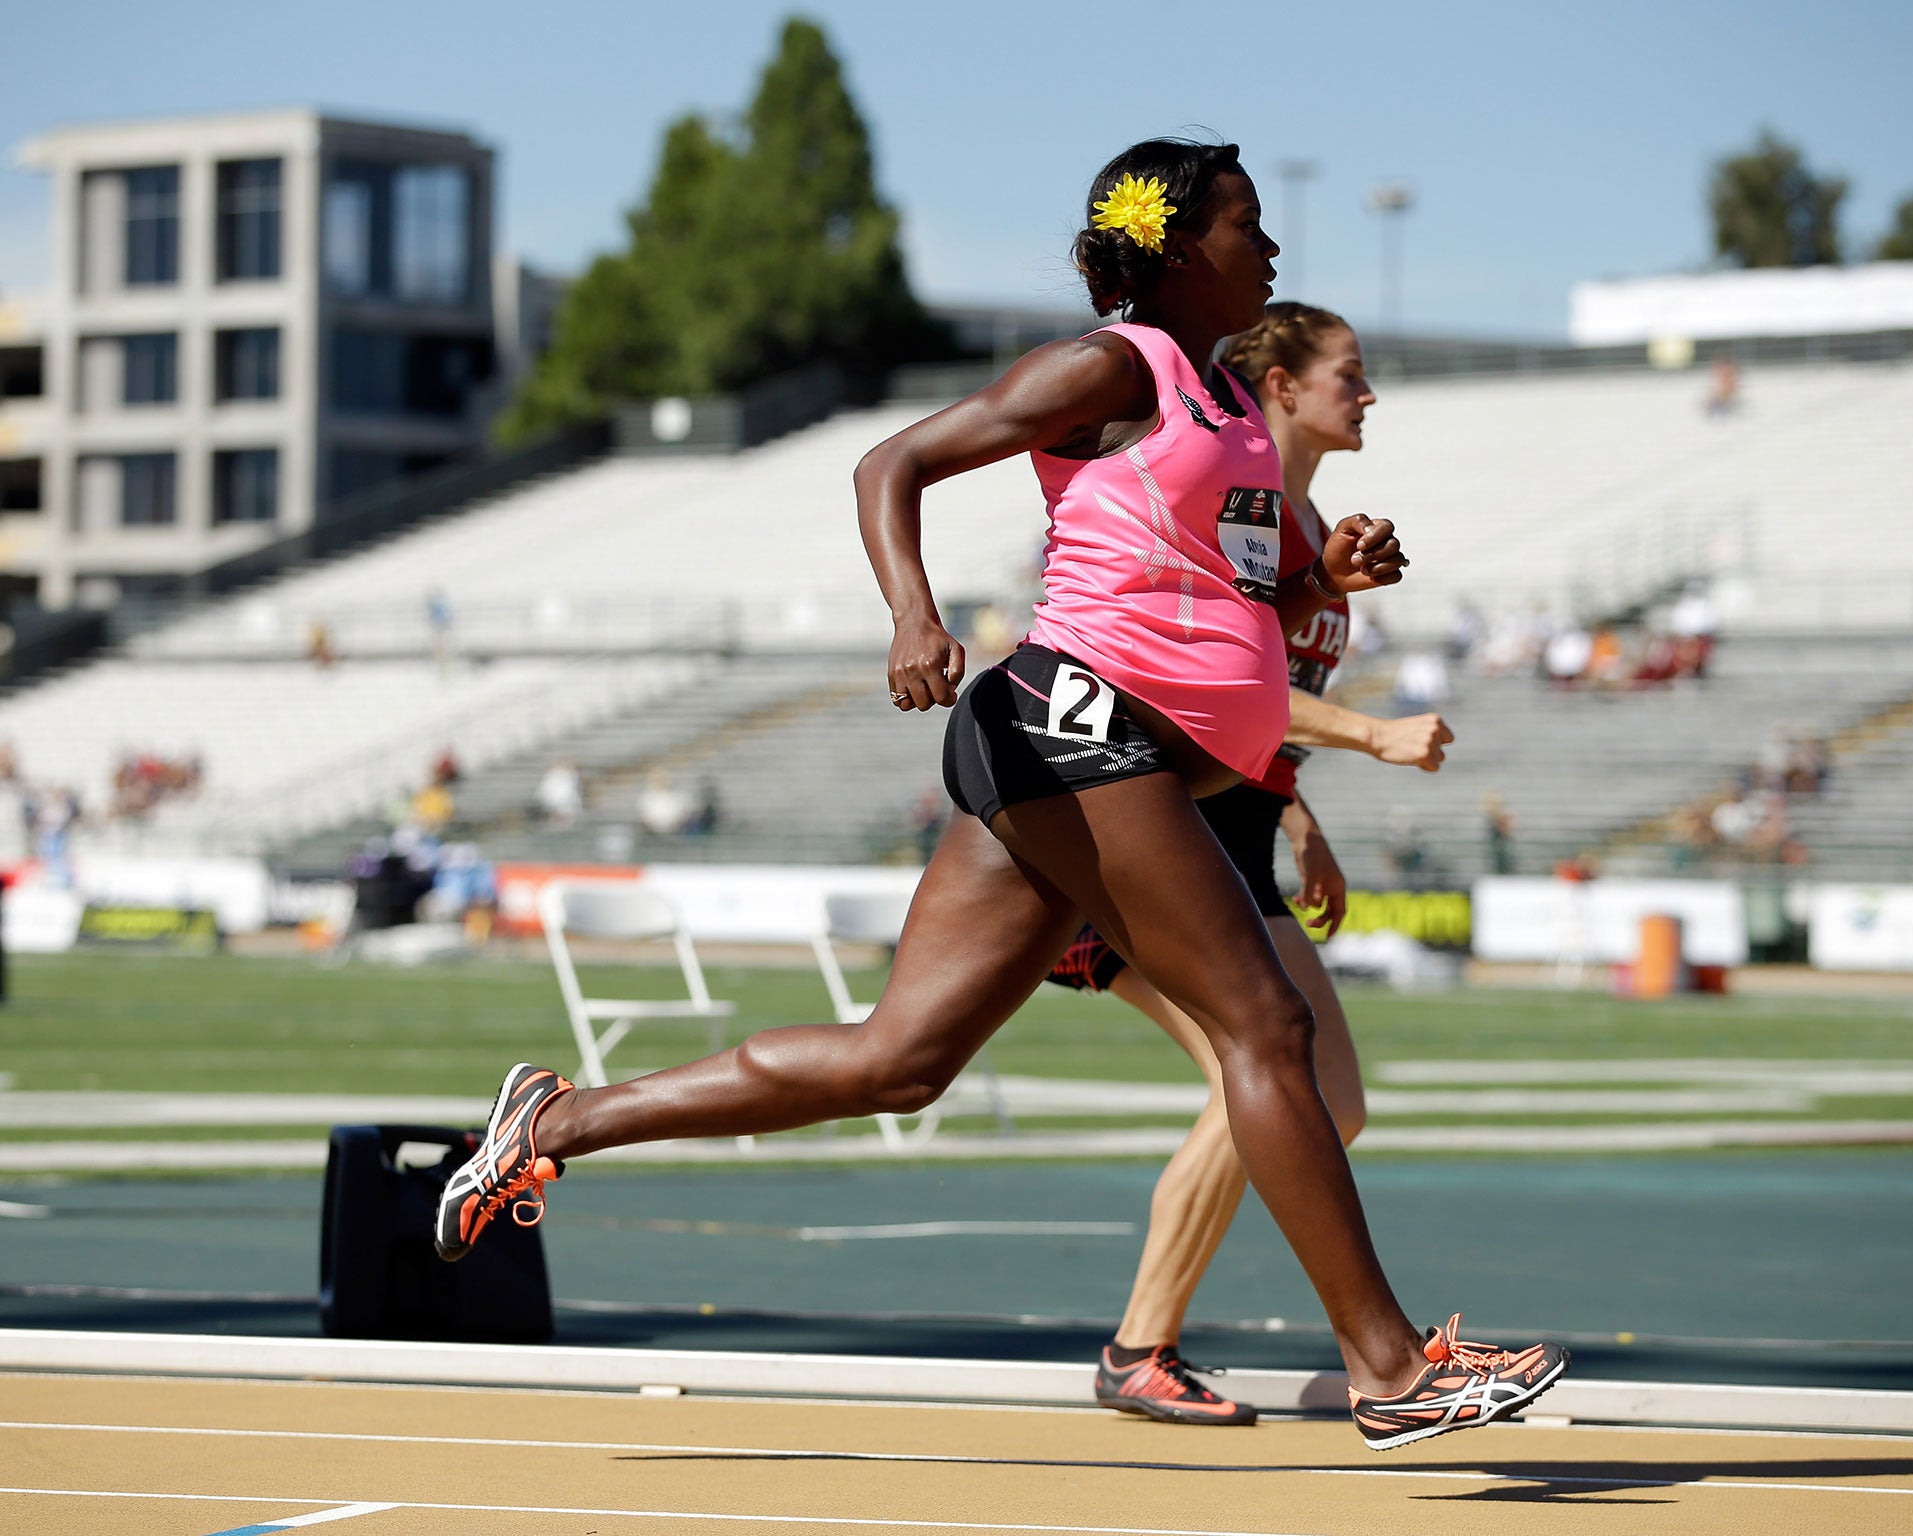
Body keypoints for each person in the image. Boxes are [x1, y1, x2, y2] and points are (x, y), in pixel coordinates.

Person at [433, 139, 1567, 1451]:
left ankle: (553, 1124)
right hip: (1073, 728)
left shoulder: (1229, 408)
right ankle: (1392, 1368)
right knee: (1266, 1026)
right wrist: (913, 618)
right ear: (1178, 244)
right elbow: (891, 465)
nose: (1270, 251)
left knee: (898, 1063)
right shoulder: (1111, 365)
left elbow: (1219, 601)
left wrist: (1323, 585)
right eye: (1249, 225)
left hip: (1103, 760)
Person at [1041, 301, 1456, 1426]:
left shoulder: (1308, 519)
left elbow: (1269, 712)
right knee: (1267, 1073)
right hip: (1145, 827)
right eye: (1348, 375)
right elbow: (1210, 683)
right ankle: (1146, 1347)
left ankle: (1162, 1345)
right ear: (1279, 385)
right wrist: (1372, 736)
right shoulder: (1239, 503)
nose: (1365, 394)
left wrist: (1297, 818)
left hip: (1236, 832)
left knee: (1327, 1094)